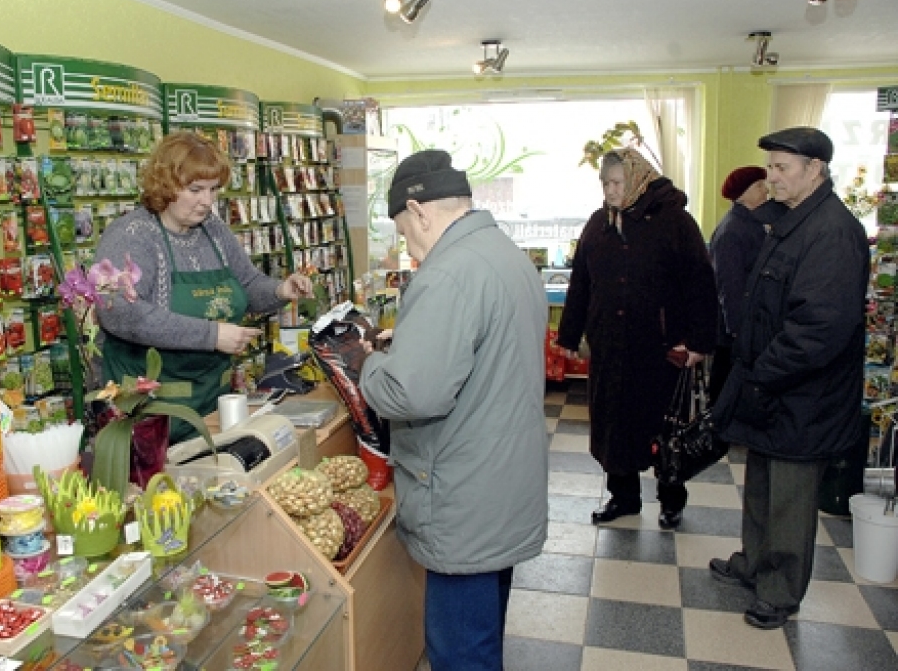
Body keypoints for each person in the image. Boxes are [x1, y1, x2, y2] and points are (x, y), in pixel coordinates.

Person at [357, 150, 549, 671]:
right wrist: (417, 341)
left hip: (464, 493)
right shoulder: (502, 253)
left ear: (419, 211)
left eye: (404, 232)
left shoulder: (446, 274)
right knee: (485, 634)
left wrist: (367, 364)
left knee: (461, 651)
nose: (409, 246)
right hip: (503, 479)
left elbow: (413, 393)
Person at [710, 127, 869, 629]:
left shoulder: (832, 231)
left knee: (792, 499)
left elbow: (819, 328)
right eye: (771, 167)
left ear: (815, 170)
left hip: (804, 394)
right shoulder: (791, 221)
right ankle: (753, 564)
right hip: (772, 386)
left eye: (782, 167)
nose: (771, 177)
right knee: (761, 484)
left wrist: (764, 372)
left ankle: (780, 590)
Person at [94, 131, 311, 442]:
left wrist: (280, 290)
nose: (207, 202)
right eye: (195, 190)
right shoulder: (132, 236)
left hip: (212, 401)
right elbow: (119, 312)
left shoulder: (214, 231)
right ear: (165, 185)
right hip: (148, 412)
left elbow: (247, 284)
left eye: (213, 190)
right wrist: (211, 335)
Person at [556, 148, 718, 530]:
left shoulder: (675, 222)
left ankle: (671, 499)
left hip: (662, 349)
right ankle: (623, 497)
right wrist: (570, 334)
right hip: (610, 346)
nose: (610, 191)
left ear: (637, 179)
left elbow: (700, 283)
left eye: (617, 183)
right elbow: (581, 282)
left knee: (665, 428)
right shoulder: (598, 224)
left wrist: (698, 342)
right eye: (605, 183)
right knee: (613, 426)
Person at [708, 166, 771, 404]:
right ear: (742, 194)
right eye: (758, 186)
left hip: (748, 327)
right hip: (734, 333)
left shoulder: (753, 224)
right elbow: (730, 285)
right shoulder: (732, 232)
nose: (766, 190)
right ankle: (715, 440)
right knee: (724, 394)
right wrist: (737, 330)